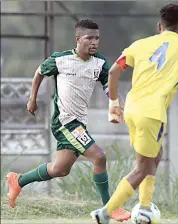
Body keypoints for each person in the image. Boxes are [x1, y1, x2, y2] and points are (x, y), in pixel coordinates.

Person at [91, 4, 178, 224]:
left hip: (132, 108)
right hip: (152, 113)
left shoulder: (140, 44)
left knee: (155, 155)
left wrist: (113, 101)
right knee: (143, 168)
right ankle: (106, 212)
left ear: (159, 26)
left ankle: (144, 209)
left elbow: (113, 71)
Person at [6, 19, 131, 222]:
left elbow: (108, 86)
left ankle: (18, 180)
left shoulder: (100, 62)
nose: (94, 42)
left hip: (79, 123)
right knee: (99, 157)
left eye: (97, 38)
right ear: (78, 39)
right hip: (65, 122)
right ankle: (110, 208)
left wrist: (117, 103)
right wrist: (32, 98)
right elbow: (39, 72)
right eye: (89, 38)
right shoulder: (60, 59)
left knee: (60, 169)